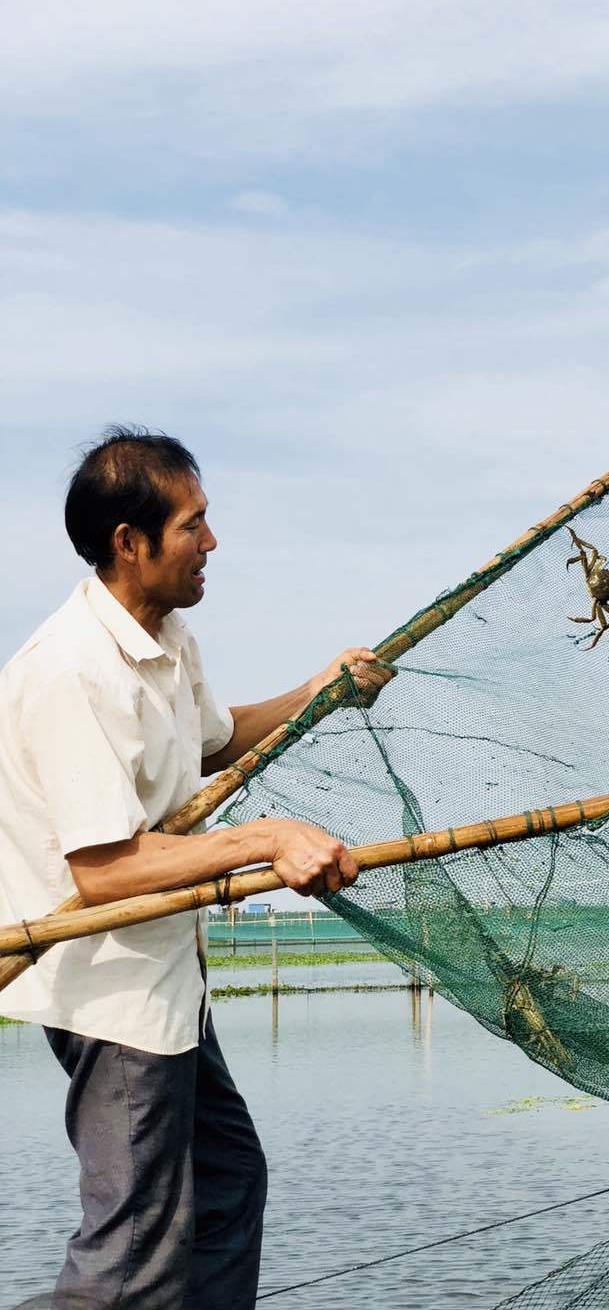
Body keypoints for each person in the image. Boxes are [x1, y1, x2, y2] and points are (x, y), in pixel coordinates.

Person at [0, 428, 395, 1310]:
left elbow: (215, 741)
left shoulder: (167, 638)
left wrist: (319, 690)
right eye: (192, 525)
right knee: (132, 1250)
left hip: (169, 982)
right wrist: (265, 838)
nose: (211, 543)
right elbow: (103, 870)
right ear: (128, 544)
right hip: (112, 995)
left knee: (225, 1184)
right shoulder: (70, 672)